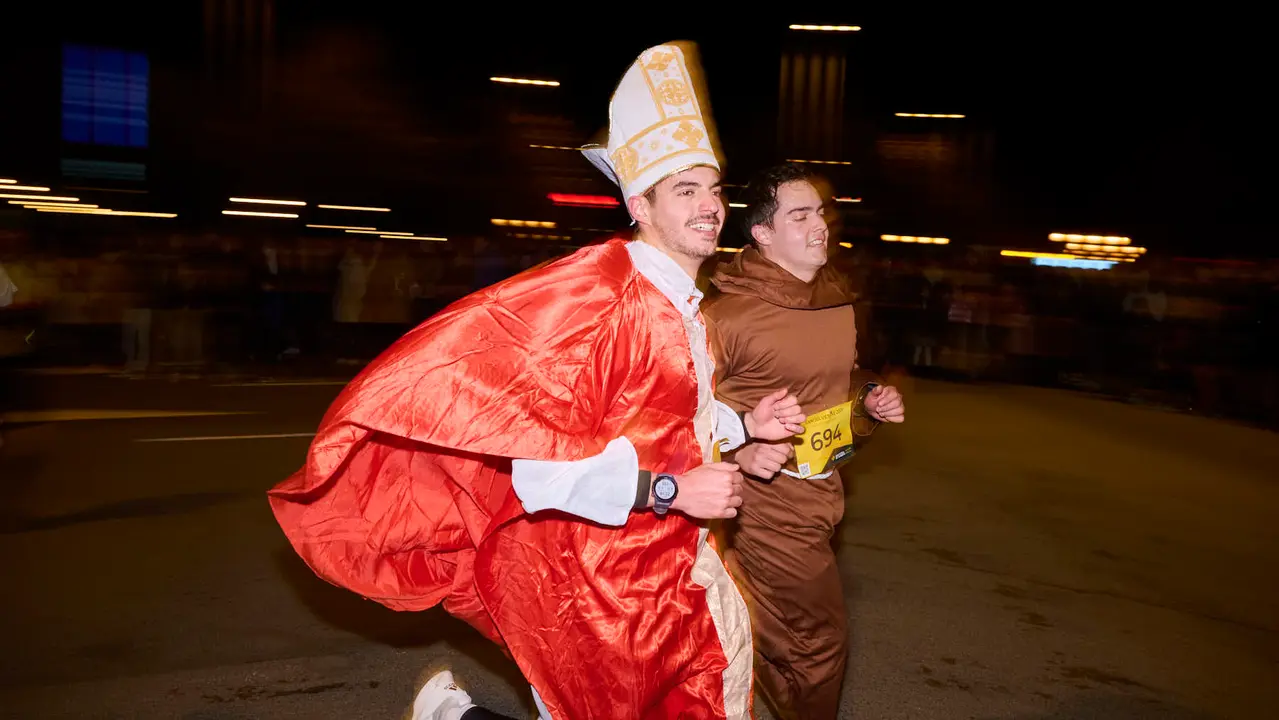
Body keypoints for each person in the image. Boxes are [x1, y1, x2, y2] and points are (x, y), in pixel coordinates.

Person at [269, 42, 804, 720]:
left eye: (713, 188)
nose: (708, 206)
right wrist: (673, 489)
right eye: (685, 191)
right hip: (609, 598)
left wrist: (742, 427)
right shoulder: (600, 304)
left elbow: (663, 416)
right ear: (639, 204)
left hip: (675, 577)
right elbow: (540, 477)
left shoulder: (678, 304)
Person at [703, 163, 906, 720]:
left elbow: (840, 379)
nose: (820, 224)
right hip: (762, 500)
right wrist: (740, 445)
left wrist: (868, 397)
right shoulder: (726, 316)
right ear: (763, 234)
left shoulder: (835, 299)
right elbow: (679, 406)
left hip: (822, 489)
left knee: (755, 628)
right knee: (820, 641)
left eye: (820, 211)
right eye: (800, 215)